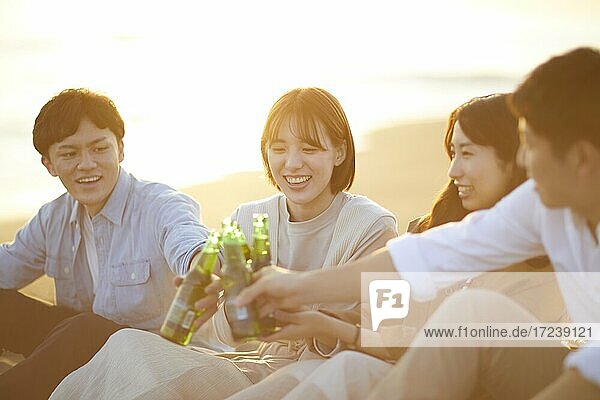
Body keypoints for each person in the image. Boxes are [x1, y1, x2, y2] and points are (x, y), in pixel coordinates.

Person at [237, 47, 600, 398]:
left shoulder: (536, 262)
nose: (452, 170)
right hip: (430, 366)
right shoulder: (534, 210)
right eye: (452, 151)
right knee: (353, 368)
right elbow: (425, 262)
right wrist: (297, 290)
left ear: (581, 159)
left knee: (467, 313)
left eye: (531, 146)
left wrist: (333, 323)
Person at [49, 87, 398, 400]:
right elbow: (211, 334)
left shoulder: (371, 225)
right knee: (127, 345)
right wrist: (221, 309)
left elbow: (391, 341)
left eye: (310, 148)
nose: (292, 164)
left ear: (339, 151)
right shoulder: (248, 218)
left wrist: (315, 324)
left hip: (327, 372)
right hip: (249, 364)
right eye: (278, 149)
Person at [0, 88, 210, 399]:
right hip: (84, 353)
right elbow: (7, 267)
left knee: (86, 329)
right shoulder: (53, 218)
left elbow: (190, 241)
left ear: (120, 149)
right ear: (49, 164)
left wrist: (202, 267)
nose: (86, 164)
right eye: (69, 154)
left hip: (158, 361)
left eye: (99, 148)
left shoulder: (161, 205)